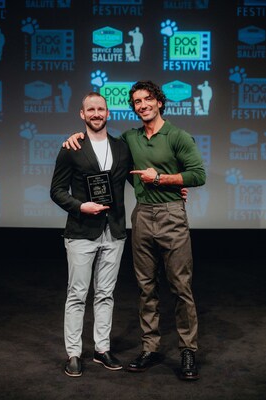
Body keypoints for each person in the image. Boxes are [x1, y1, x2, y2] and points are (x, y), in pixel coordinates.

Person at [63, 80, 206, 381]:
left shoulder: (178, 136)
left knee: (181, 287)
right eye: (137, 102)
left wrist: (165, 180)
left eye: (147, 100)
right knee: (146, 287)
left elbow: (198, 174)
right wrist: (75, 138)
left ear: (159, 102)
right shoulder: (130, 138)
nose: (142, 105)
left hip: (171, 216)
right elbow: (104, 149)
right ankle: (150, 348)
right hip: (141, 216)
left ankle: (188, 351)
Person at [50, 92, 133, 377]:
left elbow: (137, 180)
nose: (97, 113)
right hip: (82, 231)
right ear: (82, 115)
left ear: (108, 113)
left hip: (115, 231)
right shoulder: (71, 147)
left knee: (106, 294)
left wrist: (173, 187)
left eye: (101, 109)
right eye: (91, 110)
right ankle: (73, 353)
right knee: (77, 294)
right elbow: (57, 191)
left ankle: (101, 348)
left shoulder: (122, 148)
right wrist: (80, 206)